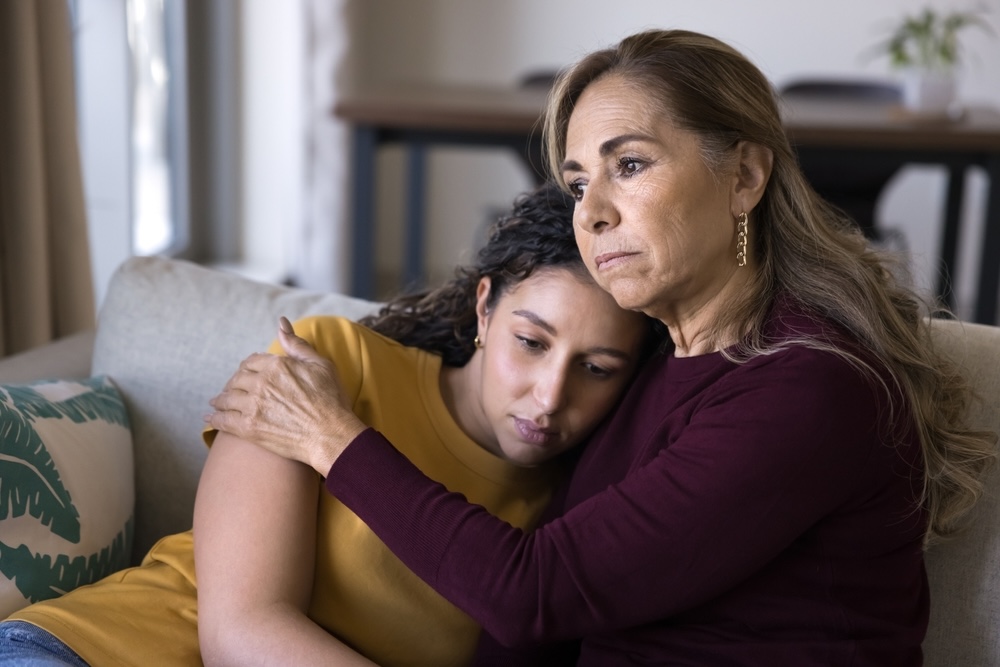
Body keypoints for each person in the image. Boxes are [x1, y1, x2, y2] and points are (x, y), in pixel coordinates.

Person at [205, 29, 998, 666]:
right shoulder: (653, 360)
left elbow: (533, 592)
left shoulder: (809, 386)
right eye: (581, 181)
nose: (592, 212)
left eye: (630, 165)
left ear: (745, 177)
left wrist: (330, 436)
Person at [0, 182, 665, 666]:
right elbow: (240, 634)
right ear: (486, 309)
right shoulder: (332, 366)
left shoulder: (571, 520)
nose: (550, 396)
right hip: (90, 651)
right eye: (531, 342)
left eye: (597, 368)